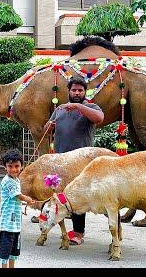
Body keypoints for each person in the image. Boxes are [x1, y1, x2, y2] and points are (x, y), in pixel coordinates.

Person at [43, 76, 104, 246]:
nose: (77, 93)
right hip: (60, 161)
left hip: (81, 163)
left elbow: (99, 118)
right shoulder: (60, 109)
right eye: (74, 90)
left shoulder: (91, 107)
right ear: (68, 91)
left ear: (85, 92)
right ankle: (57, 226)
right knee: (57, 194)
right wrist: (49, 127)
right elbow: (46, 130)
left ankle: (78, 232)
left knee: (77, 197)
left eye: (80, 90)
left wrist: (78, 106)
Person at [0, 149, 36, 269]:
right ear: (5, 167)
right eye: (10, 166)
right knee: (5, 250)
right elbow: (18, 196)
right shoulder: (7, 181)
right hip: (7, 224)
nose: (14, 169)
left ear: (22, 166)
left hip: (15, 223)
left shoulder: (16, 180)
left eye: (17, 166)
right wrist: (28, 199)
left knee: (14, 250)